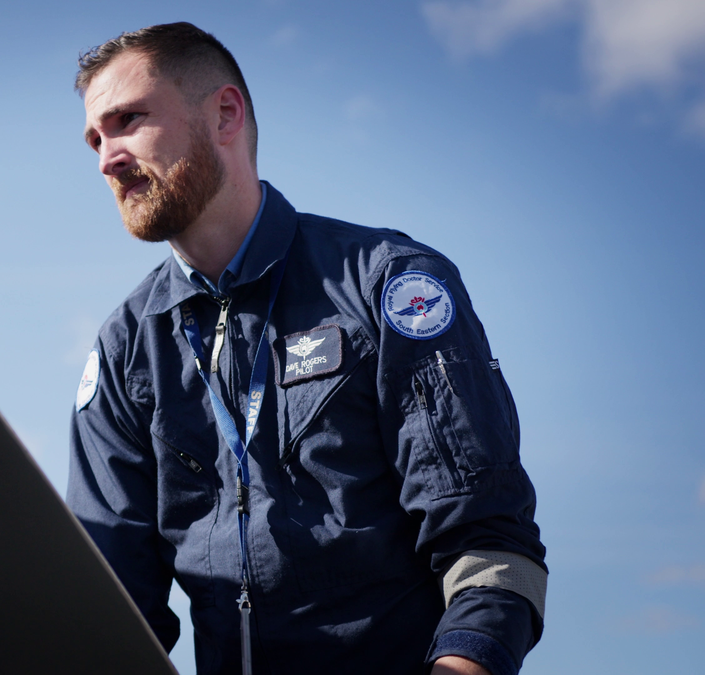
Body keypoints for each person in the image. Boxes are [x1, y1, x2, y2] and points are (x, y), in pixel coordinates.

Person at [66, 22, 547, 675]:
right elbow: (110, 612)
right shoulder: (126, 348)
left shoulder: (389, 285)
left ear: (225, 115)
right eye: (95, 139)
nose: (107, 158)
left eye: (128, 121)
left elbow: (492, 552)